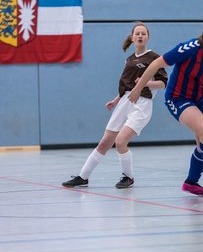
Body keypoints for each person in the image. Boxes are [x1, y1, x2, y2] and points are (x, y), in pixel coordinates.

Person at [129, 13, 203, 196]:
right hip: (177, 97)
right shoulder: (189, 48)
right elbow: (156, 64)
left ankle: (191, 182)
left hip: (200, 98)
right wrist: (137, 89)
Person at [62, 22, 168, 189]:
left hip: (141, 104)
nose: (140, 36)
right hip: (125, 101)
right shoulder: (130, 59)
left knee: (120, 142)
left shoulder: (154, 57)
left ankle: (129, 177)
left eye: (143, 33)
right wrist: (116, 99)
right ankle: (83, 177)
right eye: (137, 33)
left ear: (148, 37)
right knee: (104, 142)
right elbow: (126, 86)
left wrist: (145, 84)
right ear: (132, 37)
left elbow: (163, 84)